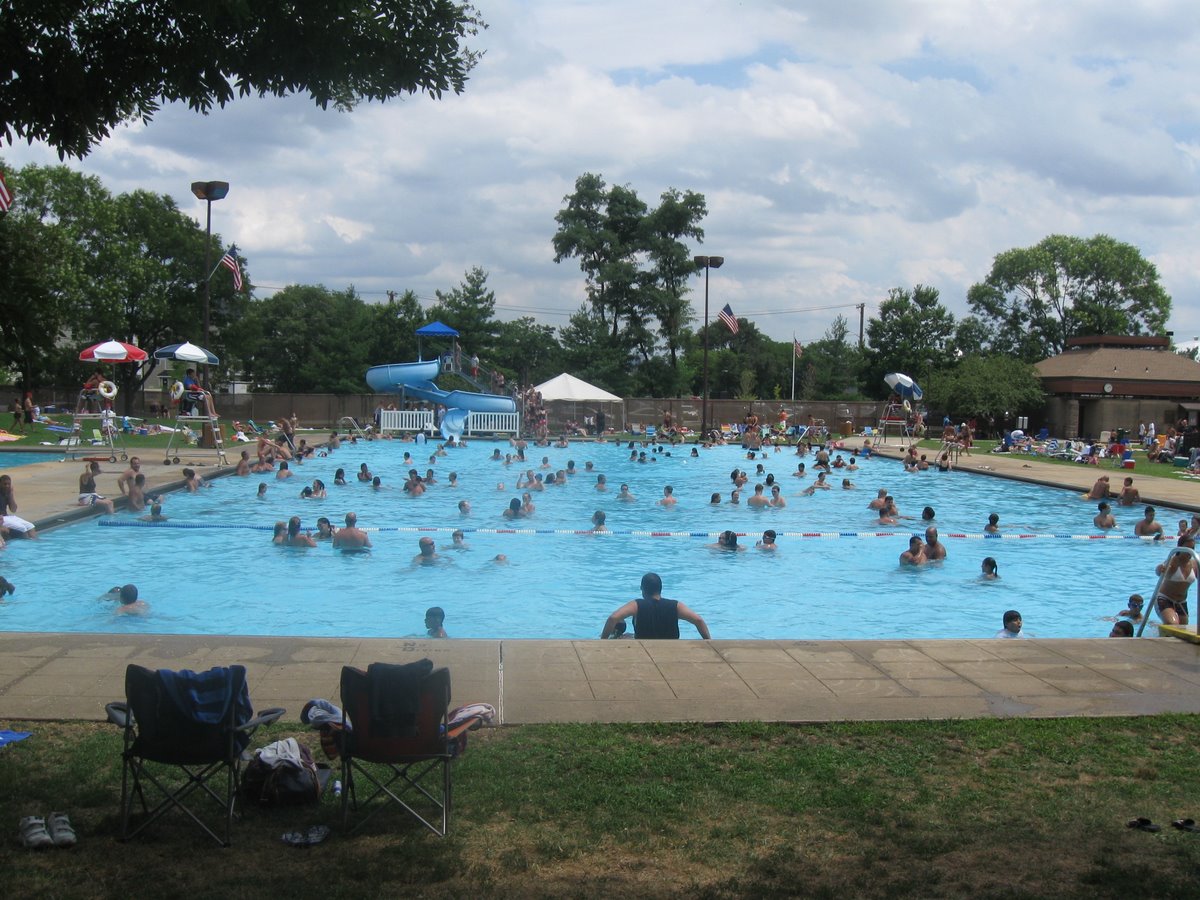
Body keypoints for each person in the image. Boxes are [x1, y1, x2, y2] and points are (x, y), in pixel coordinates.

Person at [599, 572, 711, 640]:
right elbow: (698, 620)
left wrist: (603, 641)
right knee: (628, 635)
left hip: (644, 645)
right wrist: (709, 641)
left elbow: (613, 618)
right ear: (660, 588)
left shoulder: (637, 605)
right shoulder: (675, 605)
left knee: (621, 630)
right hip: (671, 647)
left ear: (642, 589)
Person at [1154, 536, 1197, 625]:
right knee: (1172, 624)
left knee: (1183, 628)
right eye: (1187, 548)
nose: (1190, 551)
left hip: (1181, 602)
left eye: (1192, 548)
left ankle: (1156, 627)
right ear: (1179, 548)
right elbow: (1159, 571)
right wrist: (1160, 569)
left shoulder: (1194, 564)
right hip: (1164, 599)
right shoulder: (1173, 561)